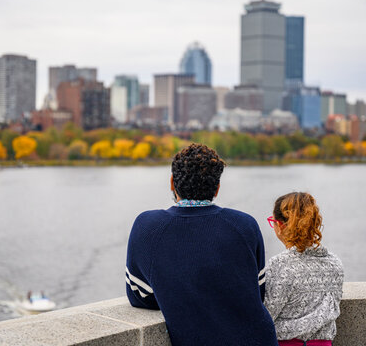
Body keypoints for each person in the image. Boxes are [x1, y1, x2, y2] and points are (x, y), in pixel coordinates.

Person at [126, 143, 278, 346]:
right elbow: (257, 292)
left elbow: (139, 296)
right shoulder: (245, 225)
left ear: (172, 183)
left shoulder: (148, 227)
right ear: (217, 188)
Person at [264, 192, 344, 346]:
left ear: (280, 225)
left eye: (272, 221)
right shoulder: (335, 264)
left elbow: (266, 317)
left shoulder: (279, 265)